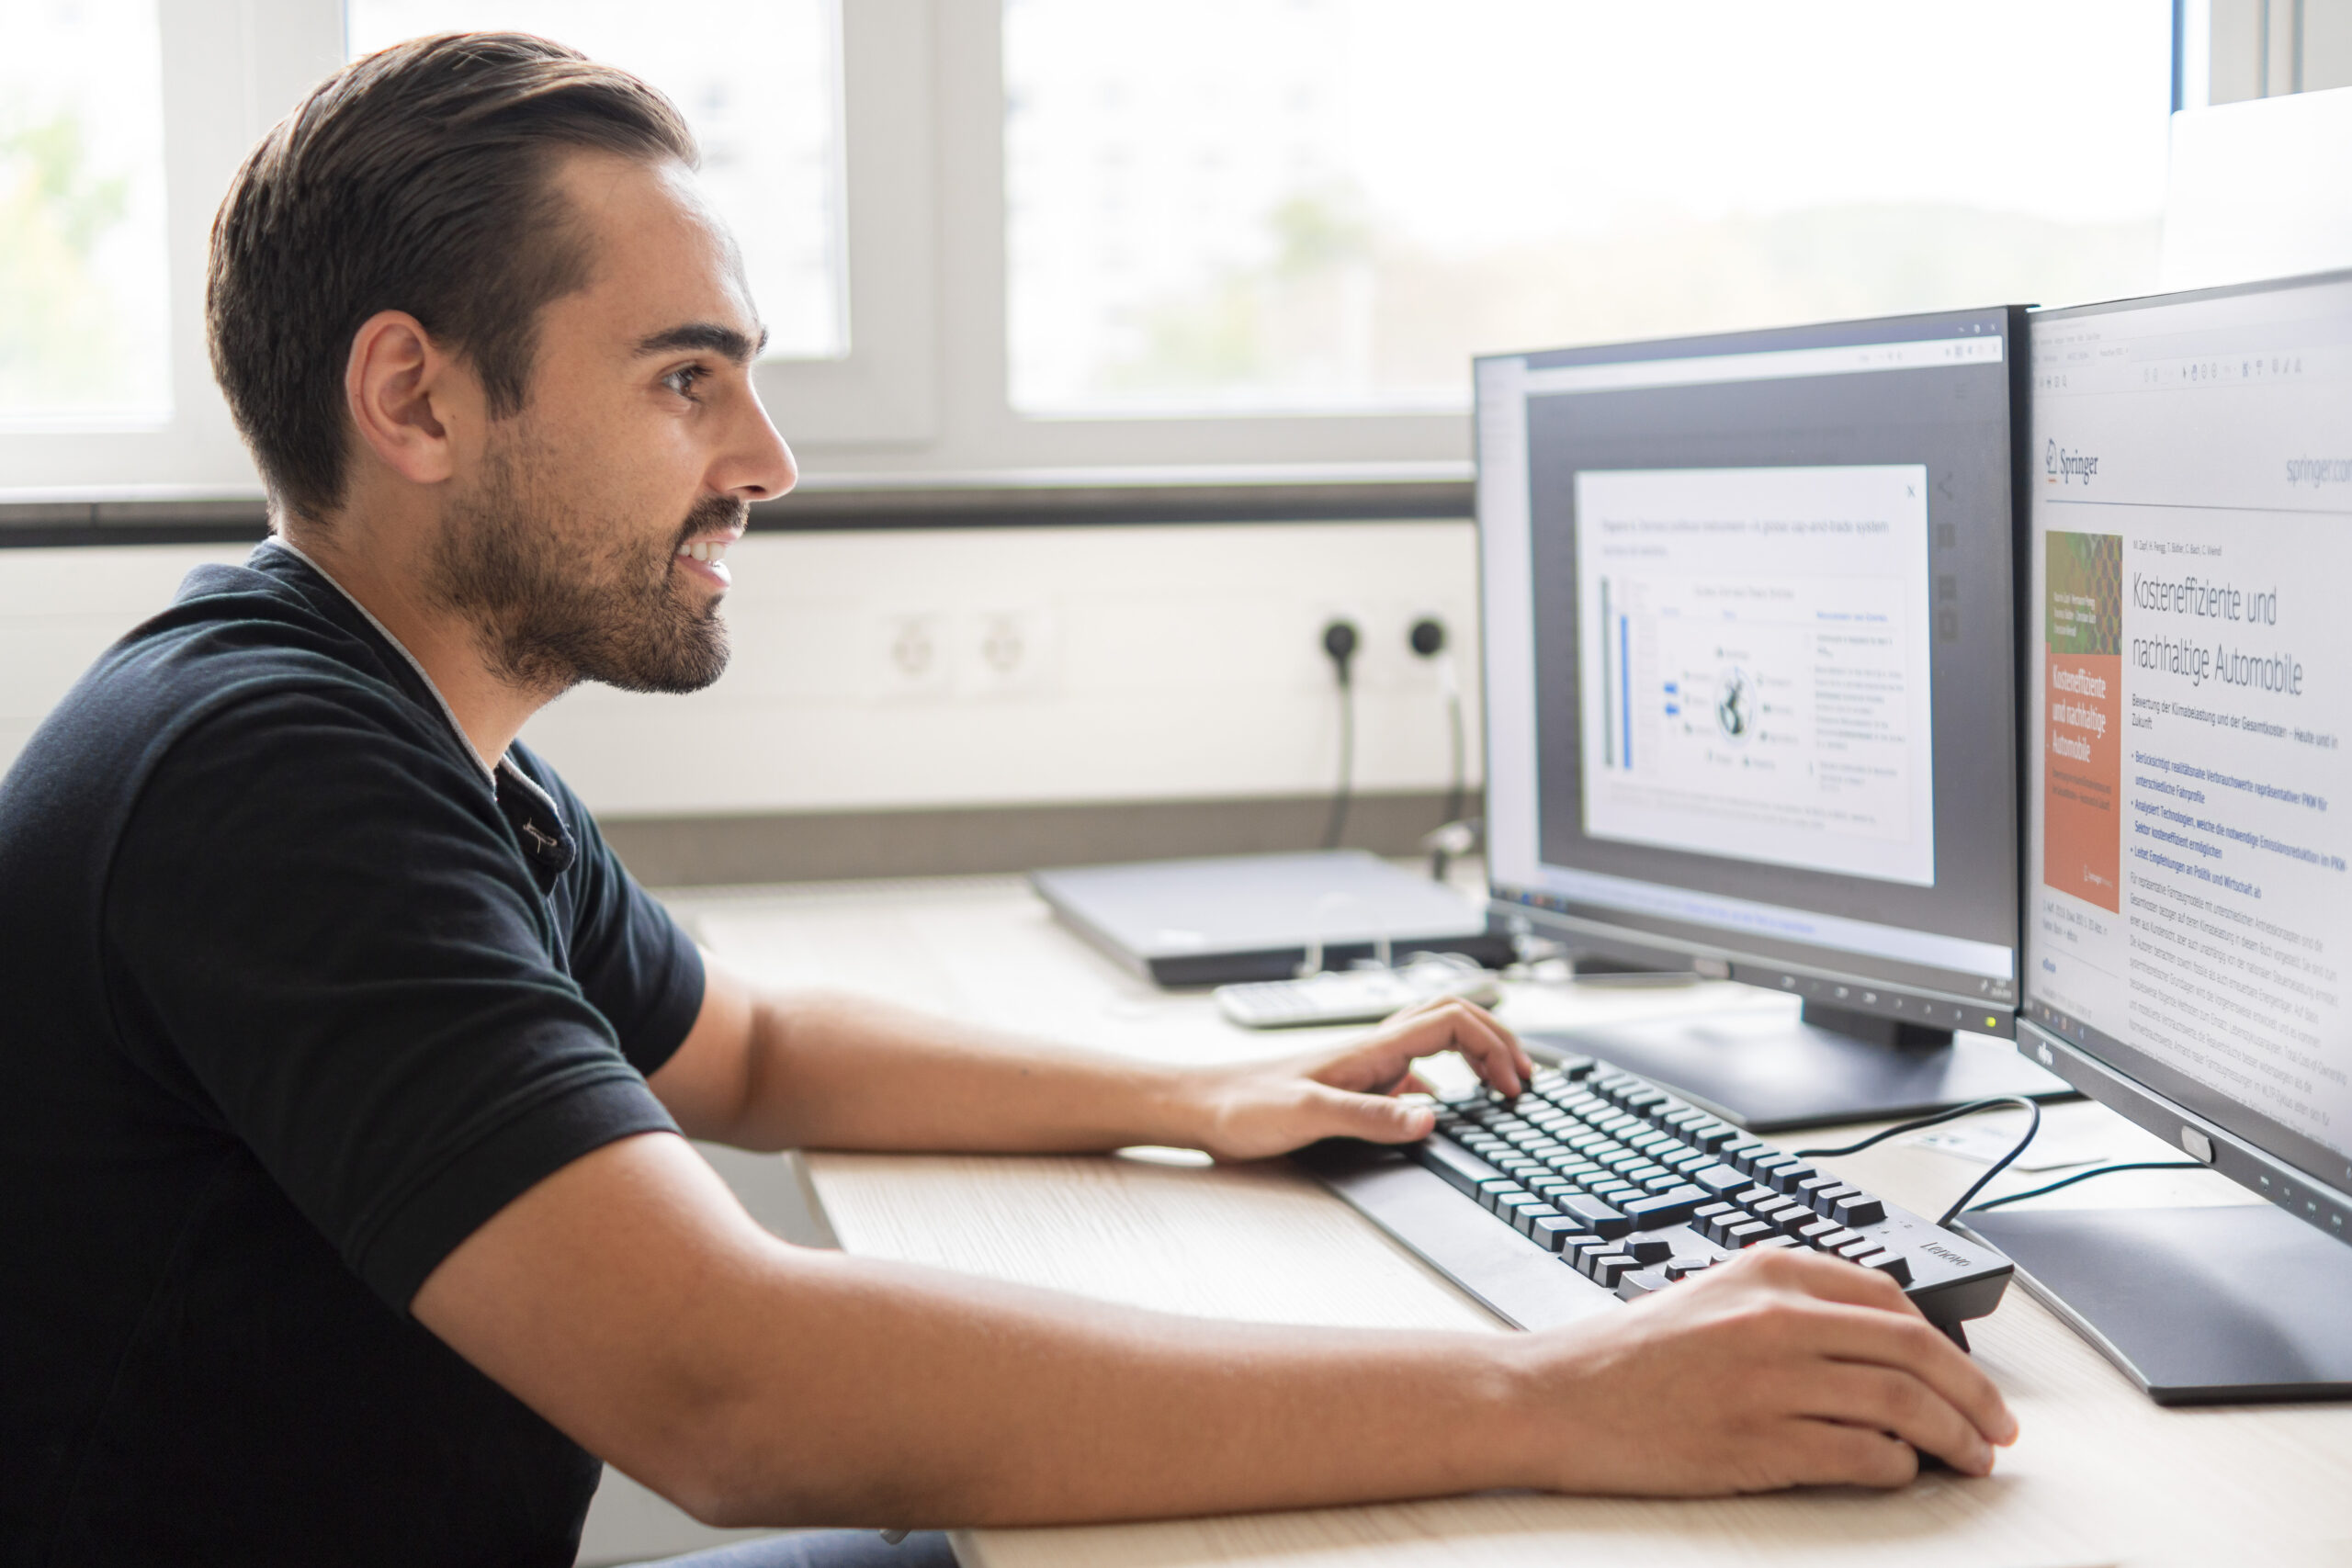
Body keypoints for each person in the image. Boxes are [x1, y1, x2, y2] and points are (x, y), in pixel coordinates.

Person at [0, 32, 2016, 1568]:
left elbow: (745, 1040)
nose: (769, 455)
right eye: (686, 377)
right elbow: (731, 1389)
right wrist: (1553, 1388)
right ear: (417, 398)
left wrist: (1200, 1089)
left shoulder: (390, 730)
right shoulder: (268, 778)